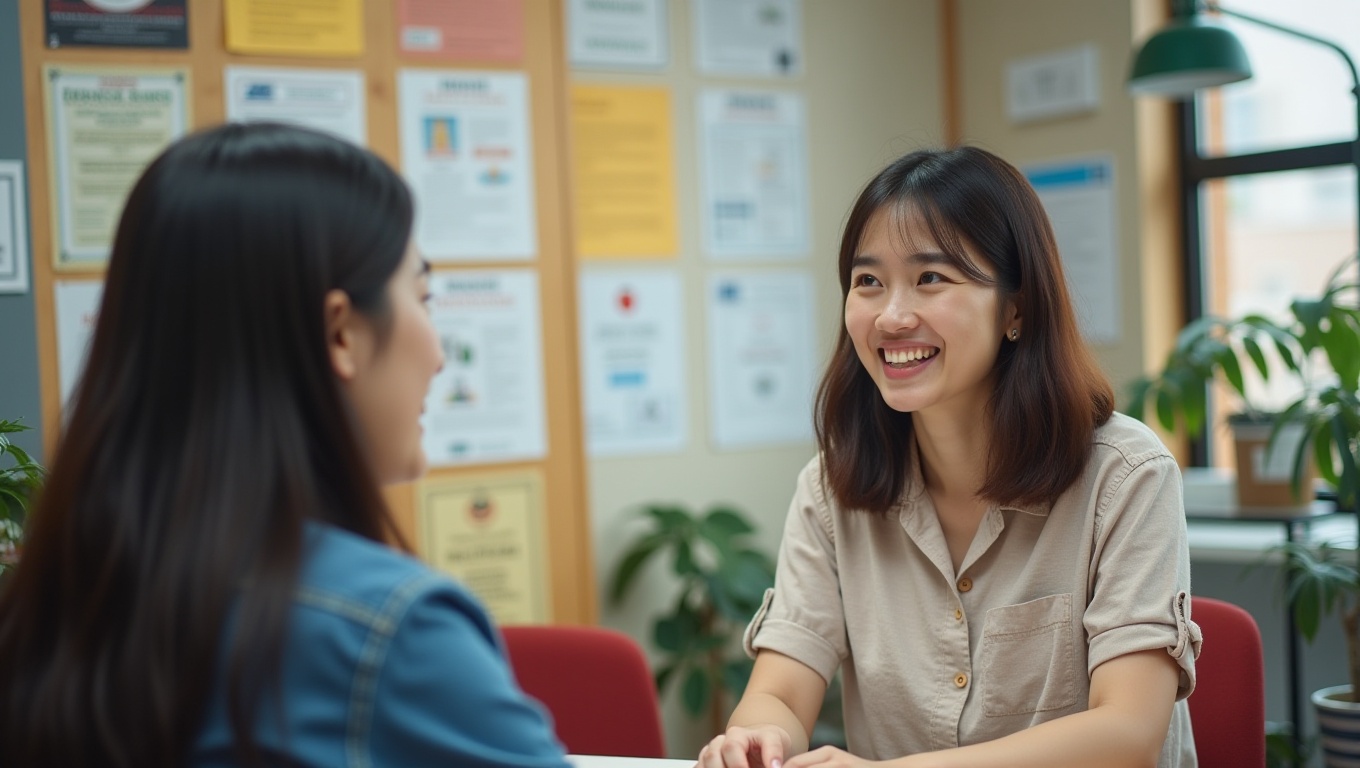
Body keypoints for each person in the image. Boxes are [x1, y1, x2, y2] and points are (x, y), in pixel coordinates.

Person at [0, 123, 572, 768]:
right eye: (423, 297)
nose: (440, 355)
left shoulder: (50, 602)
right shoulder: (390, 637)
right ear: (340, 334)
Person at [698, 147, 1201, 768]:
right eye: (868, 282)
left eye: (931, 278)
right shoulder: (833, 488)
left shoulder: (1125, 477)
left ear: (1015, 308)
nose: (892, 316)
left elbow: (1126, 734)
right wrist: (760, 735)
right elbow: (778, 690)